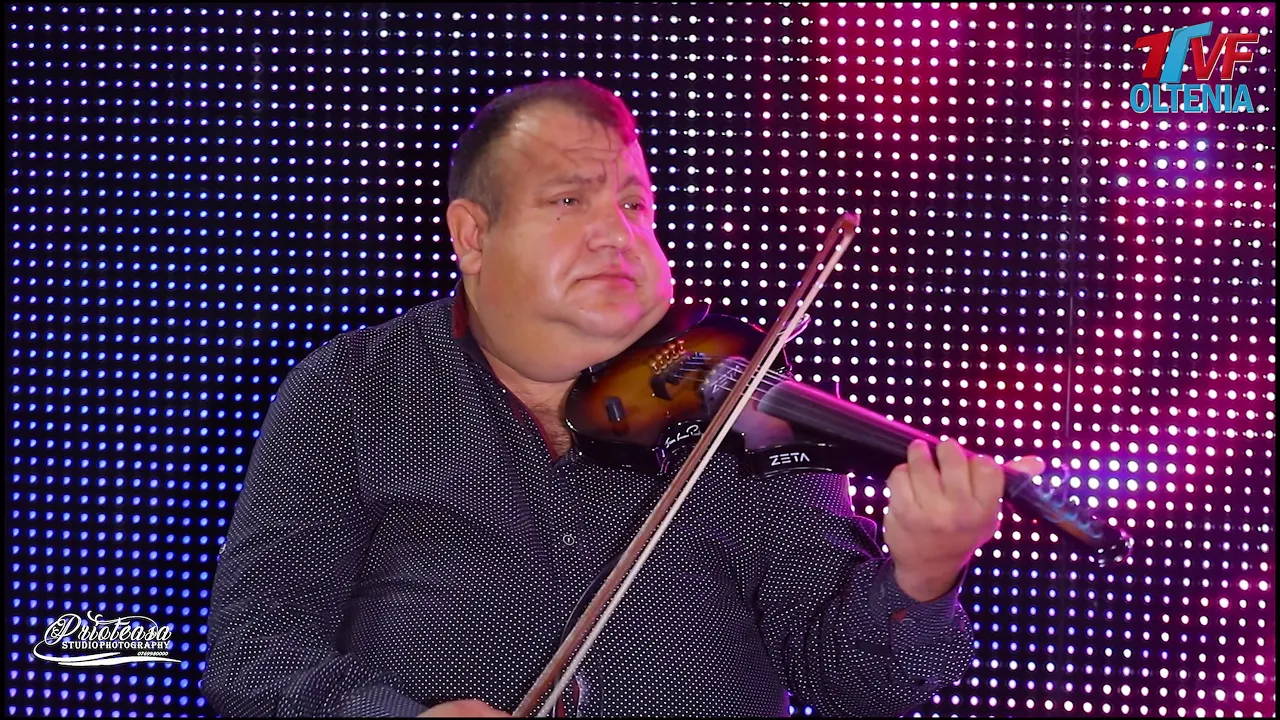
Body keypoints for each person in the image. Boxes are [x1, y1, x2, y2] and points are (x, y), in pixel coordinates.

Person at [200, 78, 1045, 718]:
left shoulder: (735, 392)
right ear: (472, 235)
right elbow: (253, 649)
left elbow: (848, 679)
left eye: (634, 202)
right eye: (570, 201)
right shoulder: (354, 389)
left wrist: (921, 578)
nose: (617, 232)